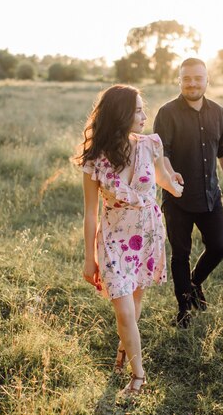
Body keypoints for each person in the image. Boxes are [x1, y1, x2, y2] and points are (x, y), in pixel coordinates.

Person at [75, 85, 183, 396]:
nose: (144, 116)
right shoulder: (94, 159)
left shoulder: (151, 144)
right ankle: (139, 377)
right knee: (123, 311)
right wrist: (88, 258)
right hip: (114, 240)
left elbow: (161, 179)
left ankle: (125, 349)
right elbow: (90, 214)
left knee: (133, 307)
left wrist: (175, 184)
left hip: (146, 234)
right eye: (137, 110)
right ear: (119, 114)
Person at [153, 57, 223, 328]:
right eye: (186, 78)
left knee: (219, 247)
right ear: (179, 80)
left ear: (206, 80)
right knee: (180, 253)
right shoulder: (166, 113)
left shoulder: (218, 112)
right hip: (176, 196)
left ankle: (194, 282)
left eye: (197, 78)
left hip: (210, 194)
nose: (192, 83)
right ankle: (183, 308)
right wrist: (168, 175)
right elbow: (161, 152)